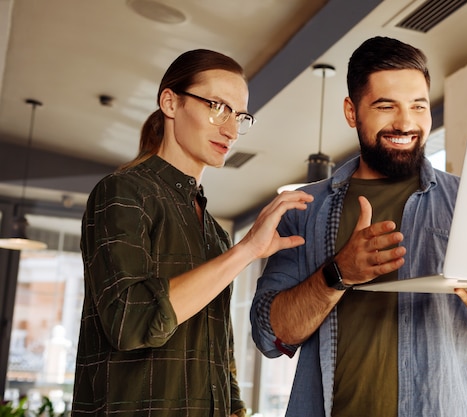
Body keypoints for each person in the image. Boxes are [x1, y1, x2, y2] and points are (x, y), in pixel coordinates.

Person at [250, 36, 467, 417]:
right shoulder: (303, 208)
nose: (406, 122)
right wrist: (337, 273)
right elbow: (268, 334)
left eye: (418, 106)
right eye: (386, 106)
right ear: (352, 111)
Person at [71, 49, 313, 417]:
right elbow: (129, 322)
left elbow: (218, 348)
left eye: (239, 115)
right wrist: (247, 250)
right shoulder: (123, 191)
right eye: (217, 106)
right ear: (171, 102)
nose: (231, 130)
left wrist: (234, 408)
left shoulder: (215, 232)